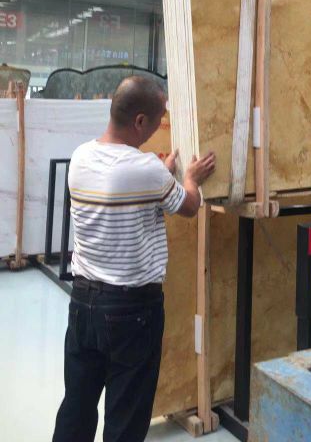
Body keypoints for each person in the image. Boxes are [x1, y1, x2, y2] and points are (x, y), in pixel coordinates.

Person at [52, 76, 216, 442]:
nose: (159, 127)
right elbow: (189, 205)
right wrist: (190, 178)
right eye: (158, 120)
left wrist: (163, 174)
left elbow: (127, 186)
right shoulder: (146, 170)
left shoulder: (81, 157)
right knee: (125, 418)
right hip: (131, 312)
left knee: (77, 406)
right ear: (140, 121)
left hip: (83, 304)